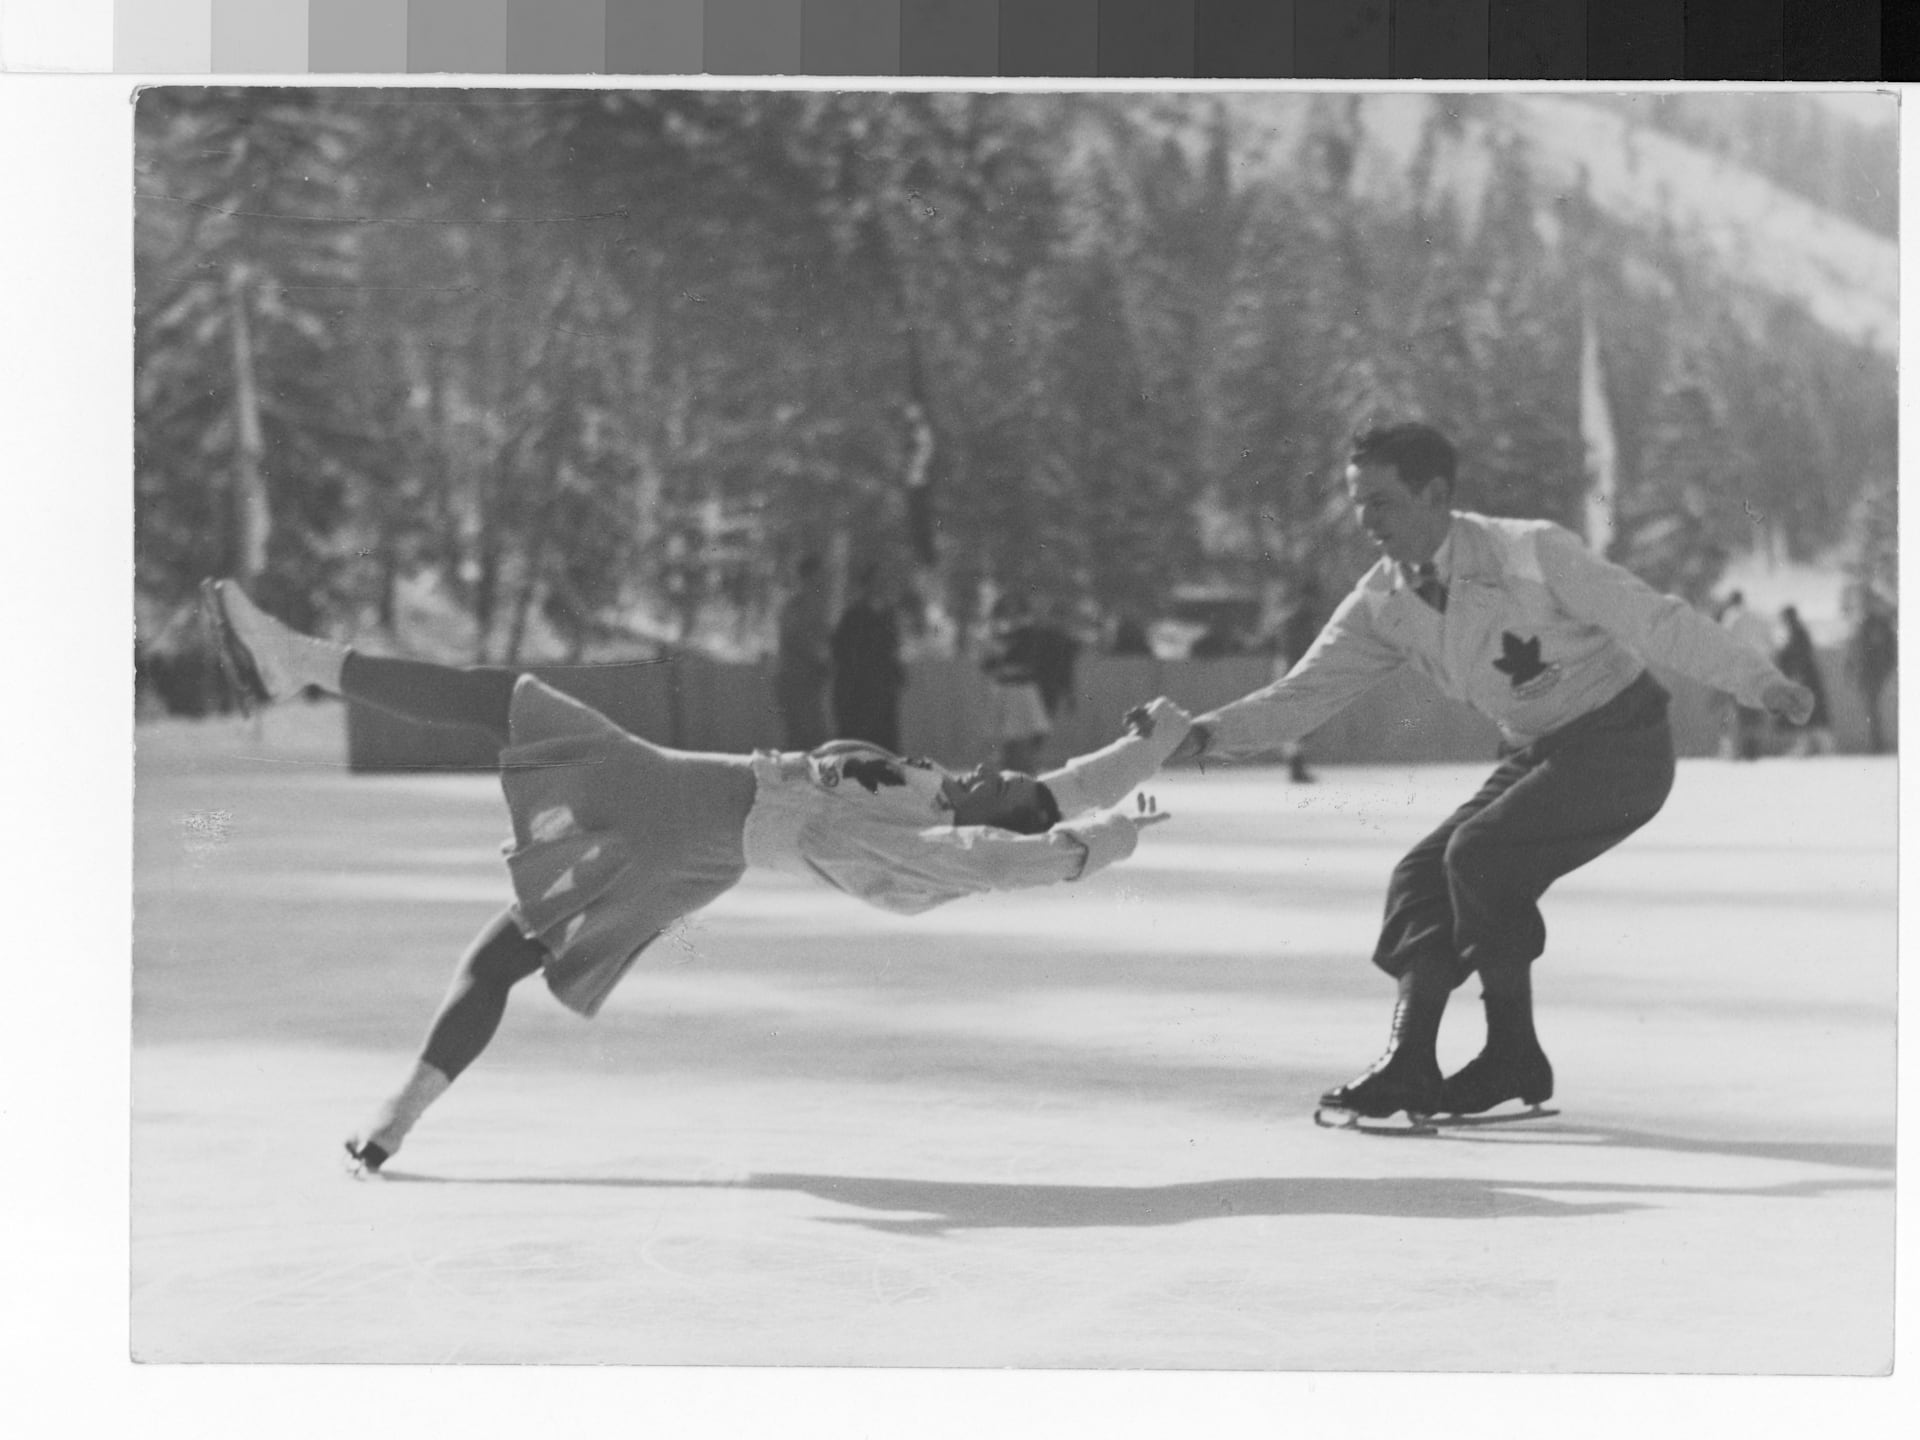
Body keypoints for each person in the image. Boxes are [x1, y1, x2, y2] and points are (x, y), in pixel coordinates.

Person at [200, 580, 1189, 1174]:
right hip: (697, 851)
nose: (997, 769)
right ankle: (392, 1124)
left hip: (686, 802)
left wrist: (1106, 843)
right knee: (503, 955)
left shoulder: (926, 836)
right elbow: (1059, 790)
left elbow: (1009, 853)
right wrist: (1151, 750)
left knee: (506, 700)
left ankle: (304, 662)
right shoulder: (954, 796)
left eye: (1002, 781)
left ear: (991, 810)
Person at [1167, 422, 1814, 1126]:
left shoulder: (1530, 553)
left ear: (1435, 493)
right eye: (1357, 502)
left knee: (1479, 856)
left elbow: (1656, 621)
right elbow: (1302, 695)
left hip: (1622, 743)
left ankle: (1513, 1053)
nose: (1364, 521)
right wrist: (1206, 733)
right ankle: (1411, 1060)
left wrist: (1762, 684)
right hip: (1541, 750)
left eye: (1379, 501)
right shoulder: (1382, 604)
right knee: (1421, 874)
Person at [831, 562, 908, 752]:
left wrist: (896, 672)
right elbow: (842, 650)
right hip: (859, 691)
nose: (881, 585)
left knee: (884, 743)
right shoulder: (853, 615)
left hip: (883, 690)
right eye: (877, 581)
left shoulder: (888, 614)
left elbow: (893, 648)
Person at [979, 595, 1052, 773]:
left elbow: (1030, 660)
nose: (1011, 614)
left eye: (1015, 609)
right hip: (1006, 688)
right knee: (1009, 735)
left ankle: (1024, 767)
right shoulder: (996, 633)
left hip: (1023, 688)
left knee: (1029, 732)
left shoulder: (1029, 633)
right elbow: (988, 664)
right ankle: (1010, 767)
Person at [773, 554, 832, 750]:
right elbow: (795, 637)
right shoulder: (795, 604)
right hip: (795, 678)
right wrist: (818, 660)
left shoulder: (816, 603)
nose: (823, 578)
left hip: (808, 680)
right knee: (802, 735)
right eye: (820, 574)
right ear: (809, 576)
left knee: (812, 736)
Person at [1715, 590, 1775, 760]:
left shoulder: (1731, 617)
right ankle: (1754, 749)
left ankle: (1735, 749)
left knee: (1736, 711)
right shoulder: (1757, 617)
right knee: (1755, 711)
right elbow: (1770, 643)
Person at [1772, 606, 1835, 756]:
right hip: (1804, 679)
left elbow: (1800, 656)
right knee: (1808, 715)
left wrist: (1795, 674)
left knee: (1813, 715)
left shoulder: (1798, 633)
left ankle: (1823, 748)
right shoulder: (1796, 632)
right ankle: (1809, 747)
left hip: (1805, 679)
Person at [1846, 590, 1897, 755]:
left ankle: (1876, 744)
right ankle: (1876, 742)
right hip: (1870, 672)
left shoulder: (1874, 624)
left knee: (1872, 709)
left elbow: (1872, 649)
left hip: (1873, 672)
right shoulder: (1868, 624)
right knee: (1871, 709)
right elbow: (1856, 649)